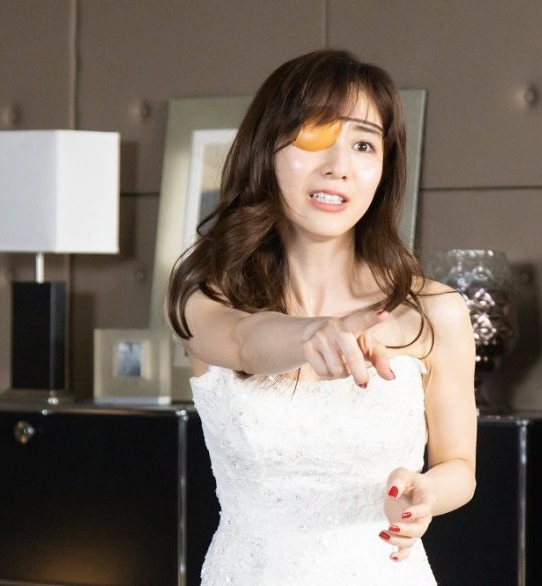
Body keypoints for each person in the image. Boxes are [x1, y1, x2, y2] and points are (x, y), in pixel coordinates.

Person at [166, 49, 476, 585]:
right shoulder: (206, 299)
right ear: (266, 147)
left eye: (363, 144)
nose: (338, 165)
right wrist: (312, 333)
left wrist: (426, 494)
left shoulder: (435, 311)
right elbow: (245, 343)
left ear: (384, 168)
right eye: (315, 134)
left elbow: (460, 469)